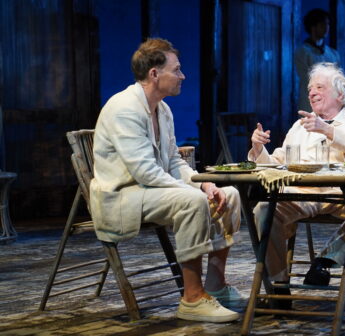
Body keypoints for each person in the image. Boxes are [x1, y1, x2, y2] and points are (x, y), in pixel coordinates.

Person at [90, 38, 244, 323]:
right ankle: (193, 299)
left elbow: (174, 162)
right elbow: (145, 172)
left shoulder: (163, 110)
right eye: (177, 69)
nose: (182, 76)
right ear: (154, 73)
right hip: (123, 194)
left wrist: (204, 184)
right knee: (192, 201)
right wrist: (194, 191)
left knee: (229, 194)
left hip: (151, 190)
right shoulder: (124, 108)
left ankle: (215, 285)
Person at [249, 62, 345, 307]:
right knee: (263, 210)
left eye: (319, 87)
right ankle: (279, 289)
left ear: (340, 94)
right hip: (303, 194)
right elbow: (277, 162)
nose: (311, 92)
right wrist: (259, 149)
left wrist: (328, 131)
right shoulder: (300, 126)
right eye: (310, 88)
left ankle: (327, 259)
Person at [294, 8, 341, 114]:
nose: (326, 28)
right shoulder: (303, 52)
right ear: (313, 27)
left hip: (331, 105)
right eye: (322, 24)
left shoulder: (333, 54)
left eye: (328, 24)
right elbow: (306, 78)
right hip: (310, 103)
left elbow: (339, 78)